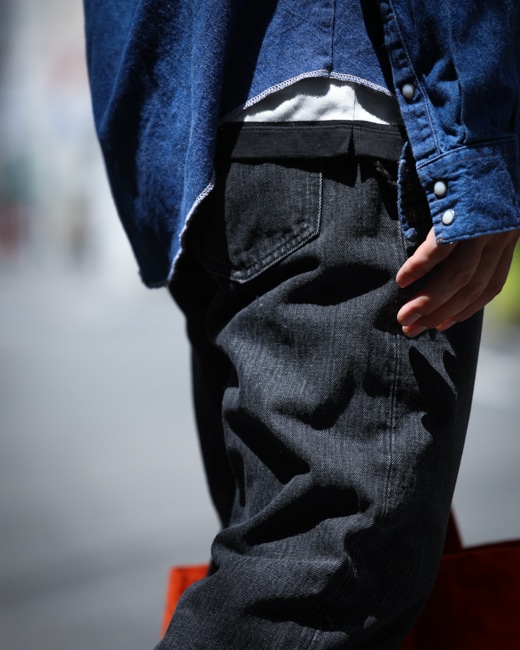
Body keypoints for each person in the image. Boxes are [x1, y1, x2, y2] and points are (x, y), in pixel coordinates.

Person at [83, 1, 520, 647]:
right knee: (324, 570)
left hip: (204, 140)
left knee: (294, 550)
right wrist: (478, 154)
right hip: (341, 130)